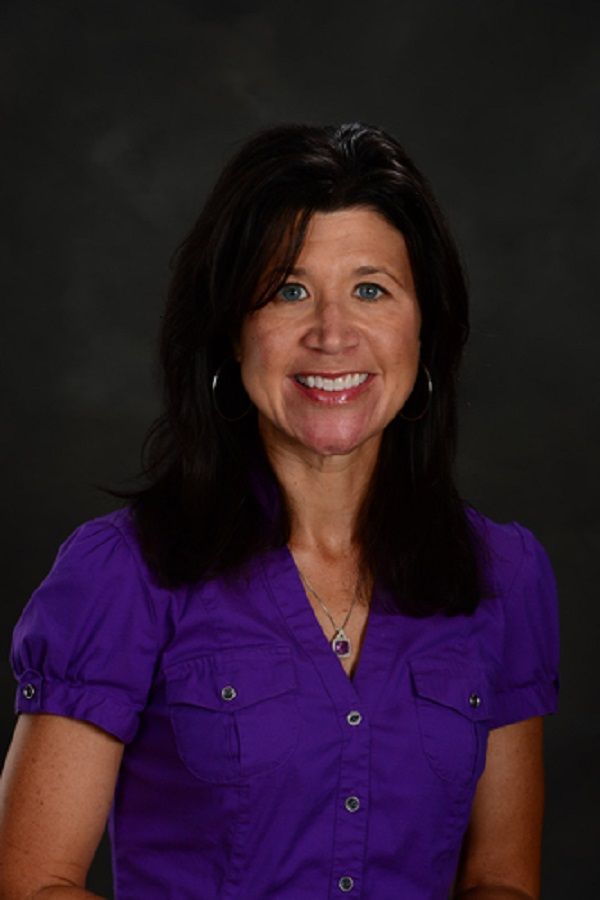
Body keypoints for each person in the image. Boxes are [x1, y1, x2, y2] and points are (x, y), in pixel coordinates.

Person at [0, 122, 559, 899]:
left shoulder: (505, 577)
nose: (332, 334)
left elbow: (501, 880)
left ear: (424, 329)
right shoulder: (122, 574)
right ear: (232, 331)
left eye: (372, 289)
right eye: (288, 291)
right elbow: (32, 885)